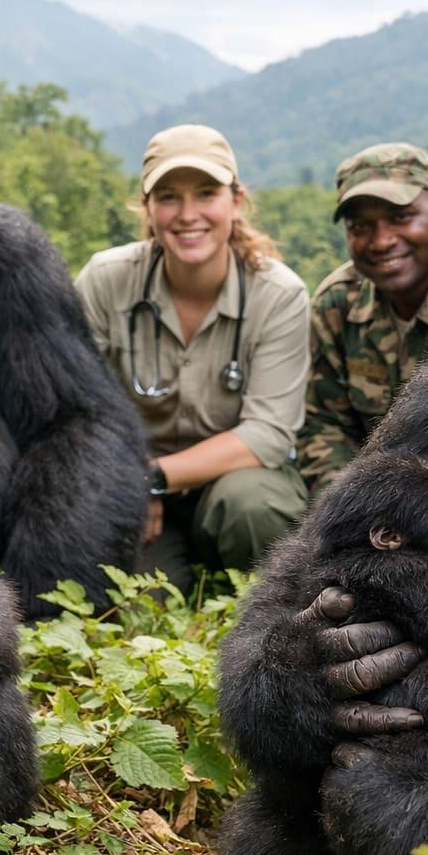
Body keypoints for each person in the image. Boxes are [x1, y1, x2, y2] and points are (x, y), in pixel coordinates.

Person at [76, 125, 310, 591]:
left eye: (206, 193)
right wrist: (128, 479)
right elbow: (78, 407)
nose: (187, 215)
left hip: (233, 482)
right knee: (140, 598)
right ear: (147, 208)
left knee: (255, 506)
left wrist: (153, 477)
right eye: (168, 197)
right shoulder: (105, 281)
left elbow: (268, 433)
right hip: (132, 485)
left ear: (236, 201)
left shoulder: (279, 295)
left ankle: (265, 602)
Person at [297, 143, 428, 495]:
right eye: (361, 226)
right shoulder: (337, 303)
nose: (381, 241)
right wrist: (353, 504)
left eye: (400, 218)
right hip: (381, 499)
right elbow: (324, 427)